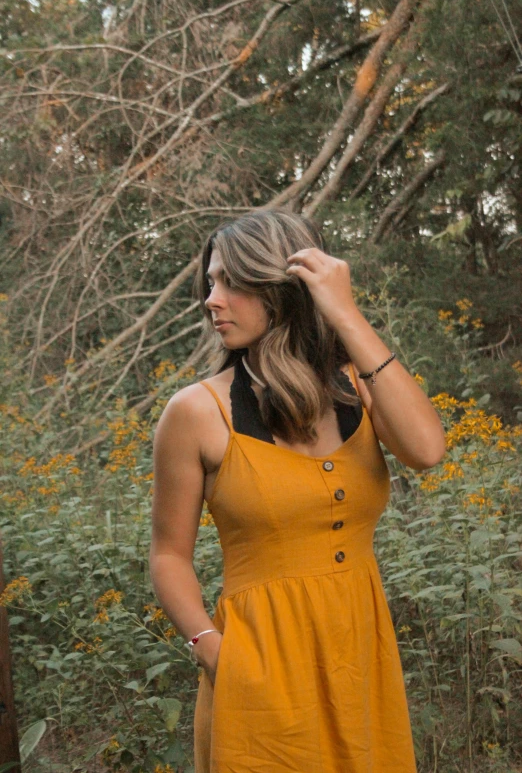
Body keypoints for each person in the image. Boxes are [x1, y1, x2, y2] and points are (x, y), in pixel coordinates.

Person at [149, 208, 446, 773]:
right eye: (211, 282)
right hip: (259, 667)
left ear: (284, 291)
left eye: (232, 283)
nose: (212, 299)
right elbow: (167, 556)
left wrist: (345, 312)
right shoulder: (195, 412)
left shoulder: (360, 385)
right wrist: (214, 652)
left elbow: (427, 450)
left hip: (362, 660)